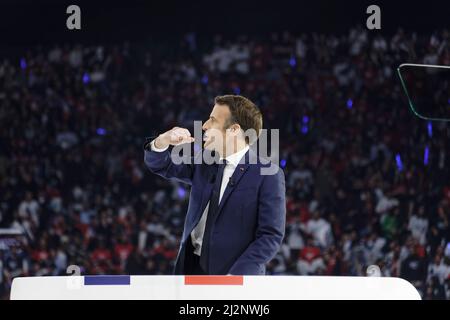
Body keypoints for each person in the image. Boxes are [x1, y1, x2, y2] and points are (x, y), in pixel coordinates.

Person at [143, 95, 286, 275]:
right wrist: (162, 141)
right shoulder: (204, 162)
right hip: (190, 270)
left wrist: (237, 275)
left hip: (234, 276)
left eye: (212, 120)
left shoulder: (268, 175)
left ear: (234, 129)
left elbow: (270, 236)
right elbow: (162, 165)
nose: (204, 126)